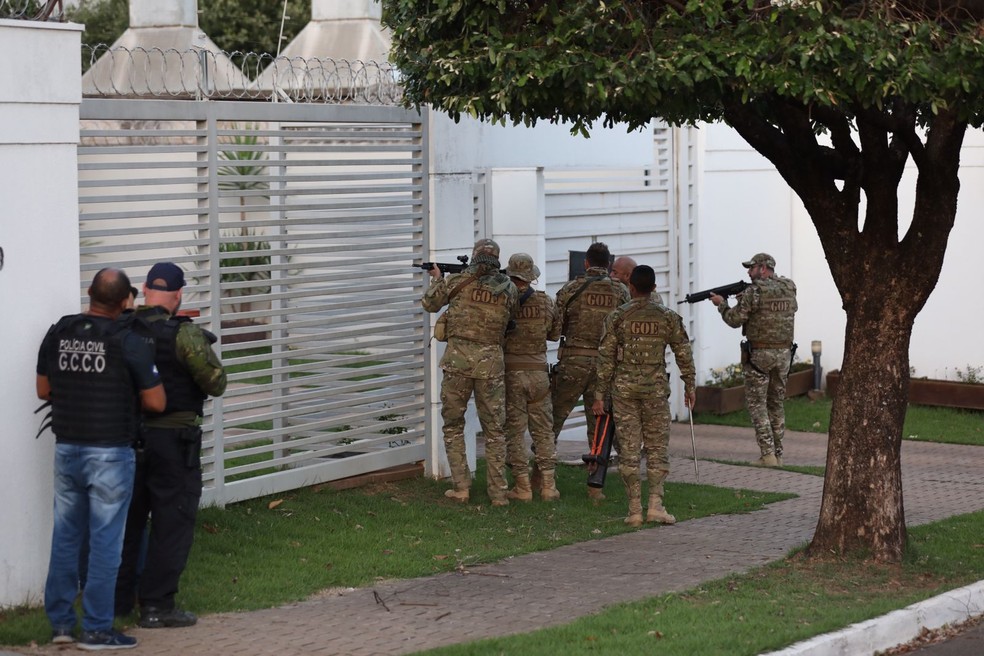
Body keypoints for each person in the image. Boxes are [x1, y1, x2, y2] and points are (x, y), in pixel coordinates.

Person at [37, 268, 165, 649]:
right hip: (110, 453)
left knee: (65, 537)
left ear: (90, 292)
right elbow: (156, 401)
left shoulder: (59, 332)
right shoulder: (130, 341)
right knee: (106, 543)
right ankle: (96, 629)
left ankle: (61, 625)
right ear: (126, 301)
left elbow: (43, 389)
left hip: (67, 447)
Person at [115, 262, 227, 628]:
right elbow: (216, 383)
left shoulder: (120, 328)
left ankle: (117, 604)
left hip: (125, 440)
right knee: (171, 524)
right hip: (173, 444)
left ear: (145, 289)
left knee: (126, 523)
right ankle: (156, 606)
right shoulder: (185, 334)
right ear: (179, 295)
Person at [592, 265, 696, 527]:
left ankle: (635, 510)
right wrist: (690, 385)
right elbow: (684, 353)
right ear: (654, 288)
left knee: (629, 450)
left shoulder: (617, 317)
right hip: (655, 392)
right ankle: (656, 506)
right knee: (657, 449)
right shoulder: (667, 317)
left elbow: (605, 359)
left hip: (624, 392)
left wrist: (599, 394)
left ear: (631, 287)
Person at [422, 239, 518, 505]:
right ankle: (498, 493)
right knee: (495, 430)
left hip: (458, 364)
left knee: (453, 425)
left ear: (474, 256)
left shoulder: (456, 282)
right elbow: (512, 315)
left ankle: (461, 488)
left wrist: (438, 279)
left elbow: (429, 304)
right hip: (491, 365)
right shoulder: (508, 287)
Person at [551, 242, 629, 500]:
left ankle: (544, 479)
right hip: (605, 367)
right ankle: (595, 486)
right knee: (599, 425)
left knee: (553, 420)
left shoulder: (571, 289)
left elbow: (555, 328)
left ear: (586, 263)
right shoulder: (620, 291)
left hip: (573, 362)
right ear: (609, 264)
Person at [710, 252, 798, 467]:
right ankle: (778, 454)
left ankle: (767, 455)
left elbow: (734, 320)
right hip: (784, 354)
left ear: (763, 268)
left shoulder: (754, 292)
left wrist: (721, 304)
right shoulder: (789, 287)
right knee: (776, 404)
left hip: (760, 356)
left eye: (752, 268)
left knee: (757, 405)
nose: (749, 272)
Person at [501, 253, 561, 501]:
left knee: (515, 431)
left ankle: (522, 487)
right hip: (539, 374)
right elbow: (555, 334)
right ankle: (548, 486)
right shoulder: (546, 302)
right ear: (531, 276)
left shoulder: (502, 300)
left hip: (511, 372)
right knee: (544, 430)